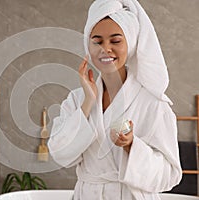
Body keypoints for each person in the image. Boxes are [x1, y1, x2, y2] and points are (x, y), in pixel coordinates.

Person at [48, 0, 182, 199]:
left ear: (131, 44)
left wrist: (131, 146)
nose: (105, 49)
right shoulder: (77, 99)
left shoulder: (153, 103)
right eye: (97, 41)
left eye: (115, 41)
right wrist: (88, 103)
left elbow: (170, 175)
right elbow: (60, 154)